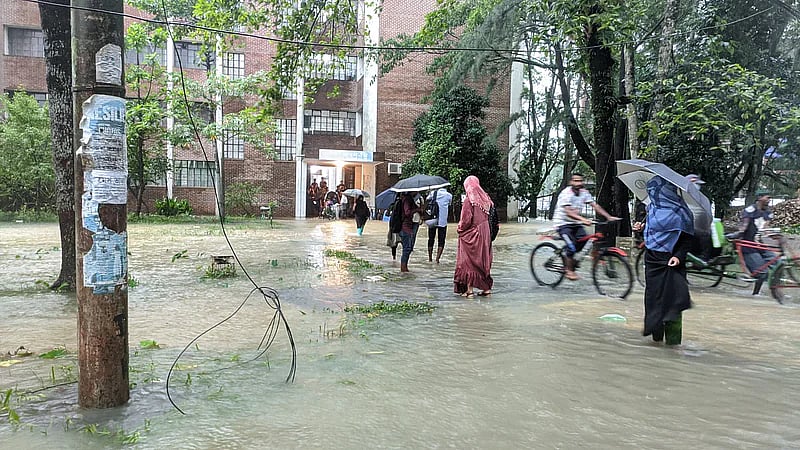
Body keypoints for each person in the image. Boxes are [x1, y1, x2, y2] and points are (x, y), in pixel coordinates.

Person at [641, 176, 695, 346]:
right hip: (652, 261)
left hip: (672, 262)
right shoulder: (652, 209)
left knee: (672, 302)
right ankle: (656, 341)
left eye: (656, 190)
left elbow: (687, 240)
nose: (653, 194)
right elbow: (650, 234)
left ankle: (673, 344)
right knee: (653, 300)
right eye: (651, 191)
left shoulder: (682, 213)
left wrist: (677, 256)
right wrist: (640, 229)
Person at [552, 173, 619, 280]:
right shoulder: (566, 194)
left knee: (584, 241)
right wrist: (583, 220)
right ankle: (569, 271)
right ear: (571, 182)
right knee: (572, 247)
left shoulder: (584, 193)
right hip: (562, 224)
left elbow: (595, 205)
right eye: (576, 181)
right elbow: (568, 212)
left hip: (576, 224)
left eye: (580, 181)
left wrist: (609, 217)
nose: (578, 183)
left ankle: (570, 261)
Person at [453, 175, 494, 297]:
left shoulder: (468, 200)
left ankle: (469, 290)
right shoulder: (486, 199)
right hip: (485, 232)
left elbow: (466, 220)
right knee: (482, 260)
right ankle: (486, 289)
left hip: (473, 233)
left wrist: (459, 229)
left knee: (468, 261)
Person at [739, 191, 775, 295]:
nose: (769, 200)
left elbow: (765, 229)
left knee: (778, 264)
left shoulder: (768, 213)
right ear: (760, 198)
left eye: (770, 198)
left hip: (760, 245)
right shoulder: (750, 210)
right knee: (762, 272)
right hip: (748, 246)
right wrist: (740, 231)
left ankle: (776, 289)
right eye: (767, 198)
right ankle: (755, 294)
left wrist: (774, 235)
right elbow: (744, 225)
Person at [685, 174, 713, 260]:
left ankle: (707, 256)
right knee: (703, 235)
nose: (698, 186)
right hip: (687, 228)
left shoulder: (701, 198)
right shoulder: (683, 196)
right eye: (696, 184)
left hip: (701, 227)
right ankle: (704, 257)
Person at [426, 187, 453, 263]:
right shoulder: (449, 195)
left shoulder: (433, 193)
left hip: (432, 220)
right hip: (442, 222)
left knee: (431, 239)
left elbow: (427, 200)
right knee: (441, 240)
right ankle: (437, 259)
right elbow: (449, 204)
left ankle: (430, 258)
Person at [398, 192, 422, 272]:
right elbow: (407, 212)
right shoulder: (407, 200)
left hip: (407, 227)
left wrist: (420, 209)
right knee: (407, 248)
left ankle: (404, 267)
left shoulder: (408, 199)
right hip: (405, 227)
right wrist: (416, 210)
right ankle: (403, 268)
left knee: (408, 248)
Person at [387, 194, 402, 260]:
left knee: (394, 243)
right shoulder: (400, 203)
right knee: (404, 244)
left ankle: (394, 257)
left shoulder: (393, 204)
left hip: (393, 226)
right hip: (399, 226)